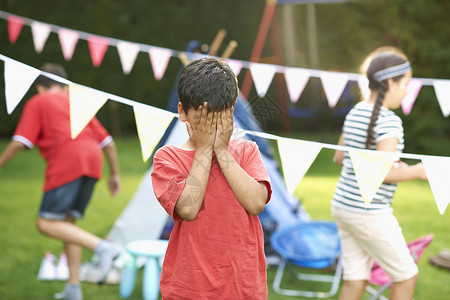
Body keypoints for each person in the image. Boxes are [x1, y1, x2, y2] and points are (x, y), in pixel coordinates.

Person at [151, 57, 272, 299]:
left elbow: (256, 203)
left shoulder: (247, 152)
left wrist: (223, 152)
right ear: (183, 112)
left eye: (219, 118)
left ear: (232, 110)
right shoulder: (167, 158)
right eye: (204, 120)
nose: (212, 128)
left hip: (243, 287)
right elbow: (188, 208)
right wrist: (205, 150)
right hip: (189, 288)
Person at [0, 64, 121, 300]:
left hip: (68, 161)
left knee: (45, 223)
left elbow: (21, 141)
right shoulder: (76, 103)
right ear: (66, 87)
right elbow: (109, 142)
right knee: (68, 225)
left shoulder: (39, 101)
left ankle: (104, 247)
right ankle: (73, 290)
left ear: (39, 87)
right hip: (93, 161)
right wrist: (114, 174)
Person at [331, 47, 428, 300]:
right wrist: (417, 171)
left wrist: (388, 167)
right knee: (406, 276)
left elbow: (339, 157)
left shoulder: (355, 112)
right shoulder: (390, 121)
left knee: (356, 280)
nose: (407, 91)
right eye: (405, 84)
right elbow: (382, 174)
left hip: (343, 206)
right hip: (368, 213)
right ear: (391, 83)